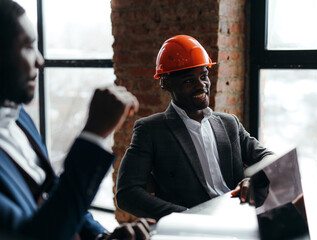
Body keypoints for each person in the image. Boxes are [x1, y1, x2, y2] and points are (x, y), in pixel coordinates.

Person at [0, 0, 152, 239]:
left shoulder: (20, 119)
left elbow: (55, 195)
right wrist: (93, 135)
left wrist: (103, 237)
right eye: (28, 46)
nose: (40, 60)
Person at [116, 35, 272, 220]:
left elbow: (272, 160)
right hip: (192, 229)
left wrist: (253, 181)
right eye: (189, 81)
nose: (202, 85)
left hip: (237, 218)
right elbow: (127, 193)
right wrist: (186, 217)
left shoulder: (229, 124)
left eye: (204, 76)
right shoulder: (150, 131)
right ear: (166, 83)